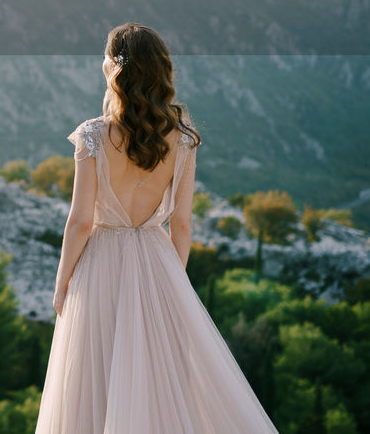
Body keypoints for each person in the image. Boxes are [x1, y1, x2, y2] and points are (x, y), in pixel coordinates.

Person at [34, 22, 277, 433]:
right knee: (158, 383)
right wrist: (171, 282)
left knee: (92, 380)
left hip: (99, 264)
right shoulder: (182, 140)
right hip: (157, 261)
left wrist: (62, 283)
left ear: (115, 68)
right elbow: (182, 224)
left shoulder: (92, 136)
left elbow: (78, 222)